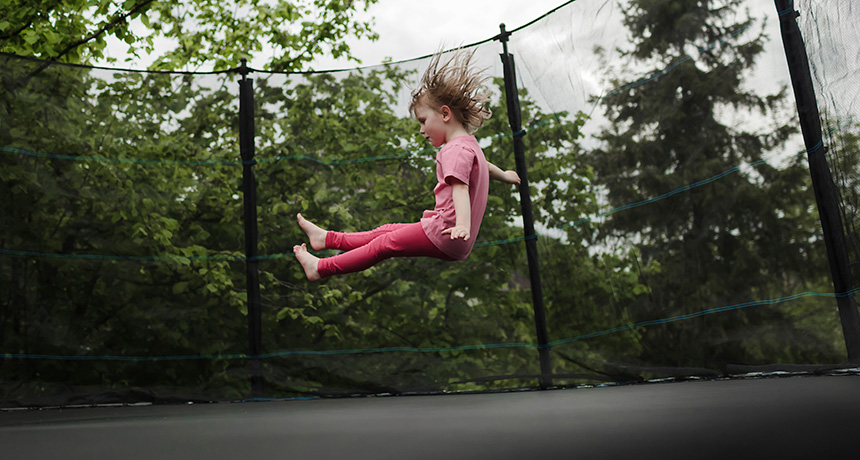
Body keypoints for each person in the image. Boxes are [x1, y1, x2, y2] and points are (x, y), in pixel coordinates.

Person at [293, 49, 521, 281]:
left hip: (448, 232)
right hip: (448, 232)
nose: (421, 130)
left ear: (445, 114)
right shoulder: (468, 145)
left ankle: (321, 268)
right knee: (386, 231)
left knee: (384, 244)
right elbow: (483, 166)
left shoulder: (454, 149)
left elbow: (460, 188)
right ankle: (327, 239)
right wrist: (505, 175)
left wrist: (462, 225)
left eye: (423, 121)